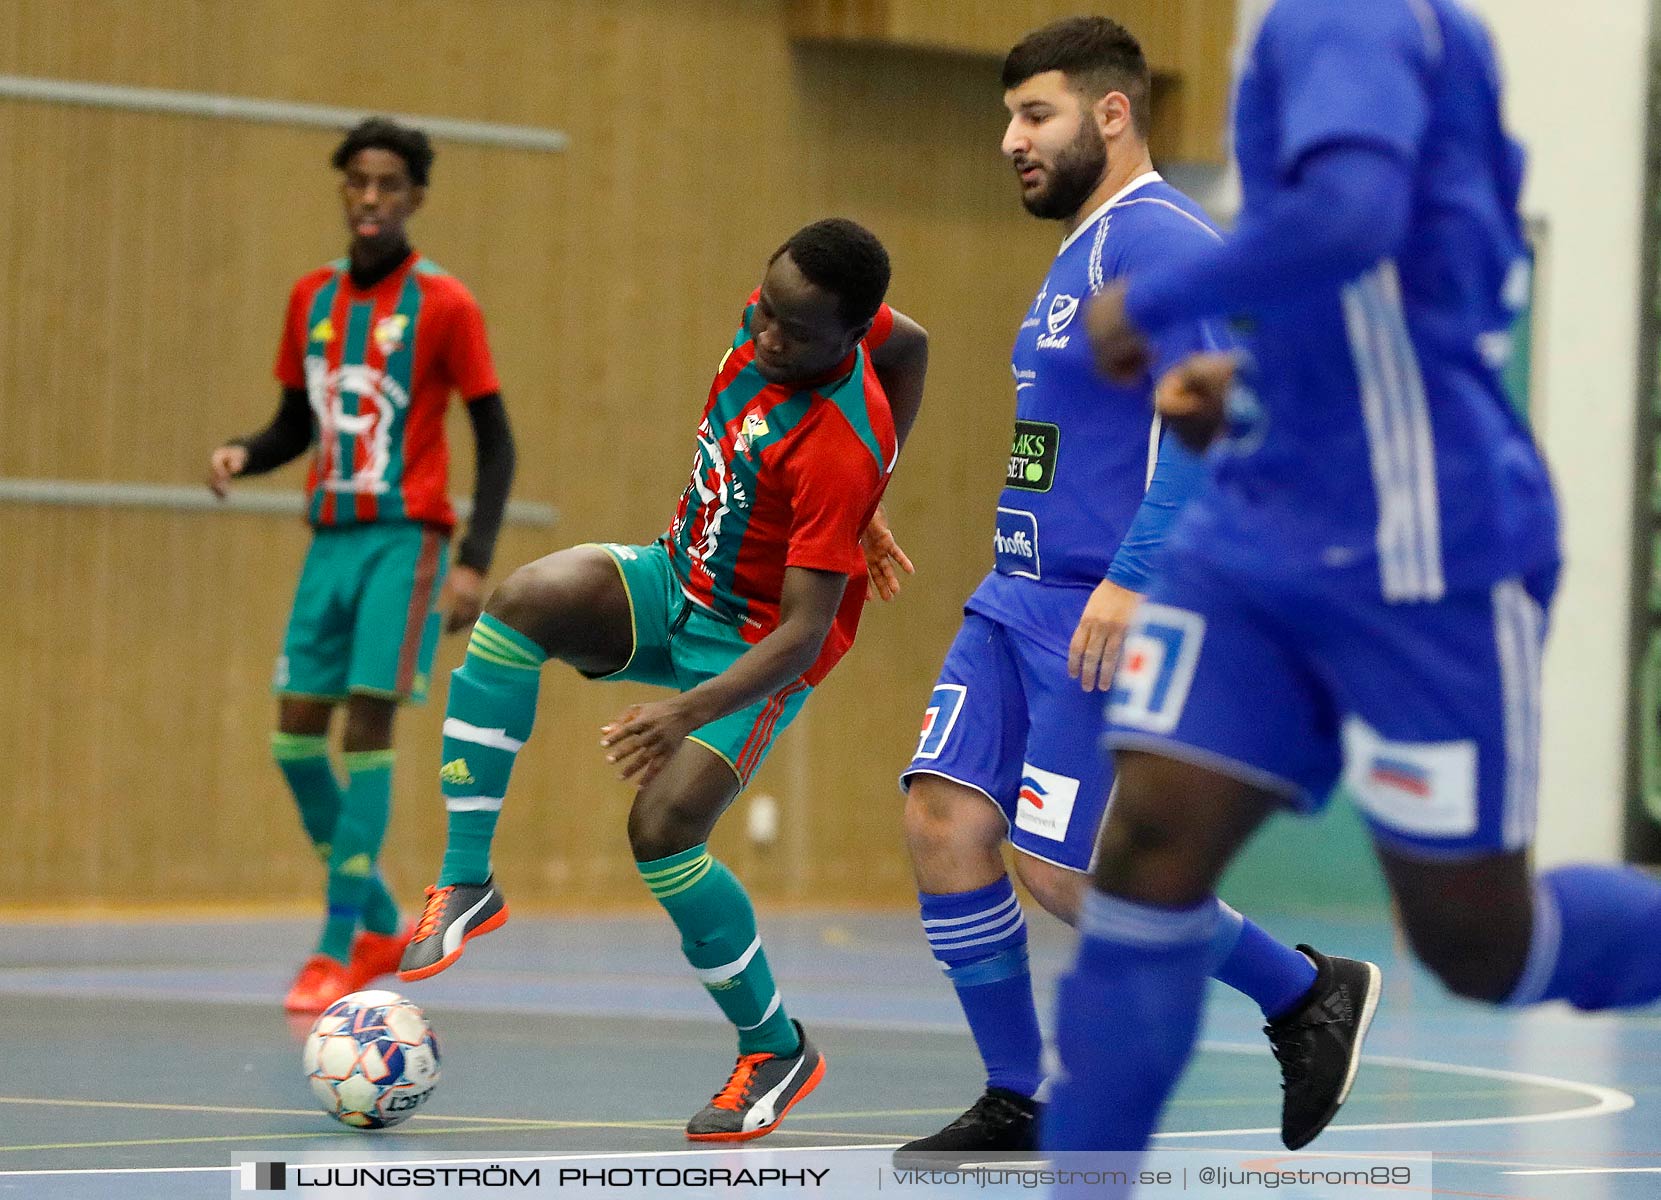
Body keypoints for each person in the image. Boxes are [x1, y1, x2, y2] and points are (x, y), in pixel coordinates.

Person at [1046, 0, 1661, 1187]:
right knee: (1149, 844)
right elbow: (1401, 269)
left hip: (1419, 552)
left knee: (1479, 943)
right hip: (1263, 526)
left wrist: (1152, 303)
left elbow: (1353, 218)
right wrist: (1264, 380)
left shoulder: (1349, 10)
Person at [895, 16, 1377, 1160]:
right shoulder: (1082, 247)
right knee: (943, 822)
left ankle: (1302, 991)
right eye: (1008, 118)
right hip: (1012, 597)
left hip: (1103, 606)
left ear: (1111, 113)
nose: (1011, 139)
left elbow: (1206, 421)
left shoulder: (1159, 241)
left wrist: (1131, 580)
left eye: (1035, 115)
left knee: (1063, 874)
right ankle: (1018, 1096)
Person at [394, 217, 929, 1143]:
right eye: (762, 311)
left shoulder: (838, 442)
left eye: (794, 334)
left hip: (750, 651)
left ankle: (774, 1050)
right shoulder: (784, 317)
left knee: (662, 827)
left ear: (849, 335)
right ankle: (466, 880)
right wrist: (876, 499)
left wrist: (689, 709)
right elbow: (912, 343)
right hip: (674, 577)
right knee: (524, 601)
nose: (765, 337)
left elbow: (803, 634)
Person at [208, 117, 516, 1014]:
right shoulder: (311, 299)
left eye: (388, 184)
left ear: (415, 196)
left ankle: (338, 943)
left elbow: (496, 445)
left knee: (365, 732)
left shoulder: (446, 306)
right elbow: (295, 426)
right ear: (343, 192)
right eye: (357, 183)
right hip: (329, 541)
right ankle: (378, 911)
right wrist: (241, 452)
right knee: (294, 738)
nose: (371, 198)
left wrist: (473, 563)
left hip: (404, 542)